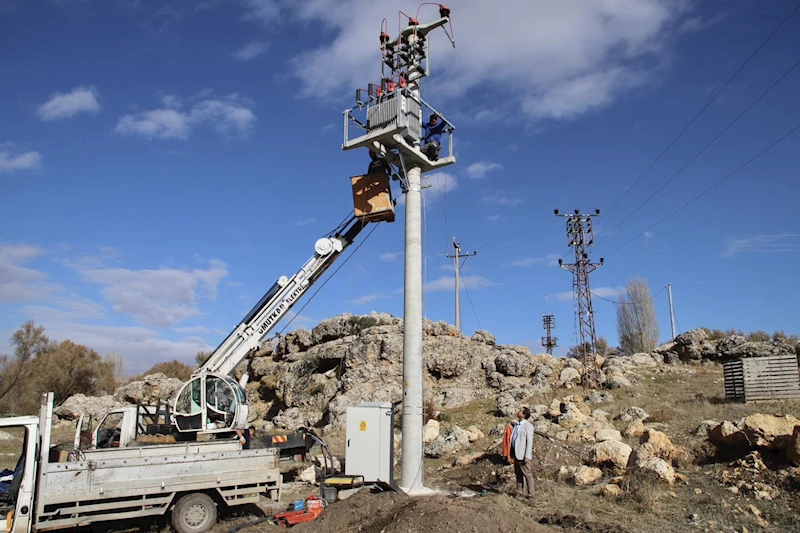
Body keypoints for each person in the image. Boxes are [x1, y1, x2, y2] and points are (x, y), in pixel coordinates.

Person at [511, 406, 535, 496]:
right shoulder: (517, 425)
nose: (518, 412)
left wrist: (527, 455)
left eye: (520, 411)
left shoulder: (528, 426)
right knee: (518, 473)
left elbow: (529, 441)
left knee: (527, 474)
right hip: (516, 452)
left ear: (524, 415)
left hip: (523, 454)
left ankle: (531, 493)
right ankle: (519, 492)